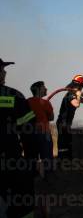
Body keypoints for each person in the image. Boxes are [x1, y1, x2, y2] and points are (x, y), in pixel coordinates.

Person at [0, 58, 36, 218]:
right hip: (10, 159)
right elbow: (29, 128)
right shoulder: (12, 96)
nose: (4, 72)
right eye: (1, 69)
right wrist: (31, 160)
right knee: (22, 199)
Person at [56, 74, 83, 158]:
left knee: (67, 142)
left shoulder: (74, 93)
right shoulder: (71, 94)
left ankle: (66, 160)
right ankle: (63, 161)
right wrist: (78, 95)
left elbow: (82, 100)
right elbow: (76, 104)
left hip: (66, 123)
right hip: (62, 123)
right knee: (63, 143)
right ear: (81, 85)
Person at [26, 81, 54, 175]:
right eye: (43, 87)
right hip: (44, 133)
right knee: (47, 157)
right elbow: (51, 117)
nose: (46, 89)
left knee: (32, 157)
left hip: (30, 133)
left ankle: (33, 176)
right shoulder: (45, 103)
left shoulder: (27, 102)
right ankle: (48, 177)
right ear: (38, 90)